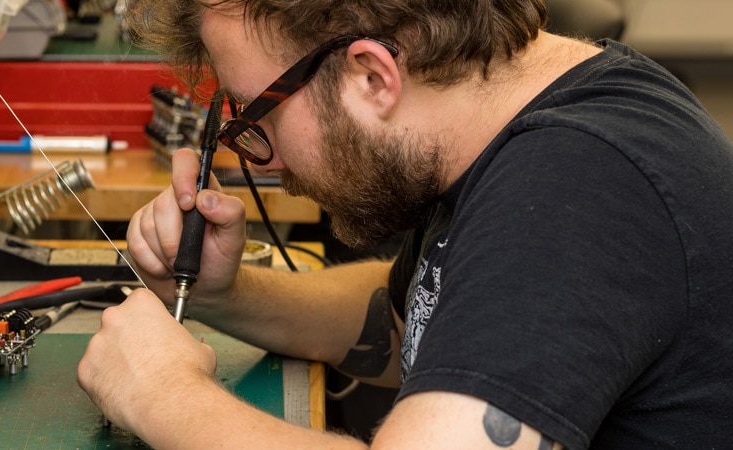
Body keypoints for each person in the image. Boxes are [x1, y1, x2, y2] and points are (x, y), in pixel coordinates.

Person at [77, 0, 733, 448]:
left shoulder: (579, 186)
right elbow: (419, 327)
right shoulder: (515, 116)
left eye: (259, 116)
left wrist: (164, 395)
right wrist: (231, 292)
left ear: (372, 77)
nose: (264, 160)